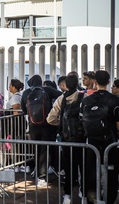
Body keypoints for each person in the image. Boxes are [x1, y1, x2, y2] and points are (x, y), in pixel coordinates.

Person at [80, 70, 119, 204]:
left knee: (90, 172)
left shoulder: (86, 100)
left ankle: (92, 199)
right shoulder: (115, 100)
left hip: (91, 141)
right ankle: (109, 199)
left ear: (94, 82)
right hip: (110, 141)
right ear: (108, 82)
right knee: (111, 172)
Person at [47, 75, 86, 203]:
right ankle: (83, 193)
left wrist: (62, 124)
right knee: (83, 165)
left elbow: (50, 119)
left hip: (66, 139)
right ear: (77, 84)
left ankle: (67, 196)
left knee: (69, 167)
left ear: (66, 85)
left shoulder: (61, 99)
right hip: (83, 140)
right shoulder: (84, 97)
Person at [20, 74, 62, 187]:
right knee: (45, 149)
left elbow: (23, 109)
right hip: (47, 124)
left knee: (36, 148)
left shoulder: (26, 93)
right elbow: (62, 97)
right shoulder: (47, 90)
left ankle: (37, 172)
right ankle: (42, 177)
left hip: (33, 125)